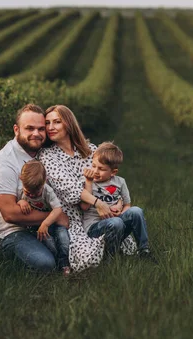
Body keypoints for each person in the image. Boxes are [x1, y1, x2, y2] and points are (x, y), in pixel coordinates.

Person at [38, 105, 138, 272]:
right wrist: (98, 202)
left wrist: (119, 201)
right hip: (73, 218)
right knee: (87, 257)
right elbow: (70, 189)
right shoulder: (48, 155)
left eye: (57, 122)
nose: (50, 127)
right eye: (47, 123)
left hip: (101, 212)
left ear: (69, 124)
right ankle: (107, 260)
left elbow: (110, 179)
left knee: (121, 222)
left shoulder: (91, 150)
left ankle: (113, 258)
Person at [0, 103, 68, 272]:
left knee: (72, 250)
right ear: (16, 130)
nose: (36, 134)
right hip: (9, 233)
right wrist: (54, 217)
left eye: (41, 129)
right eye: (29, 128)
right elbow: (10, 214)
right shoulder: (4, 164)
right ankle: (4, 257)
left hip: (36, 225)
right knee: (45, 264)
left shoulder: (41, 154)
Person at [80, 142, 154, 260]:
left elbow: (127, 205)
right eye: (93, 166)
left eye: (101, 169)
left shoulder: (120, 182)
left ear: (113, 172)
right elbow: (84, 207)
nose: (95, 171)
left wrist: (121, 213)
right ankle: (111, 257)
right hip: (94, 227)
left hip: (117, 223)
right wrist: (88, 182)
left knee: (136, 211)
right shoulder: (88, 182)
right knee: (116, 222)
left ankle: (144, 250)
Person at [17, 160, 71, 275]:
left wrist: (46, 223)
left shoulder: (47, 191)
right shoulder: (21, 190)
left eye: (36, 193)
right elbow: (16, 203)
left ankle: (64, 262)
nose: (31, 195)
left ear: (44, 182)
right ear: (21, 179)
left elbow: (57, 209)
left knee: (63, 238)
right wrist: (21, 201)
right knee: (49, 242)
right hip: (36, 226)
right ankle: (57, 264)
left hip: (52, 222)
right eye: (28, 192)